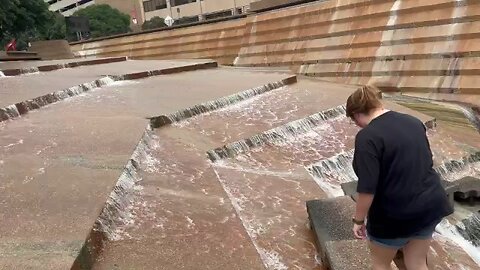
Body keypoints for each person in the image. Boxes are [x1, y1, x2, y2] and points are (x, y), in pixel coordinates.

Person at [347, 85, 453, 270]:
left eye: (353, 120)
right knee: (417, 263)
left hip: (394, 215)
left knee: (380, 264)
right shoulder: (413, 121)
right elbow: (425, 161)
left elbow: (367, 187)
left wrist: (358, 220)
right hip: (428, 206)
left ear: (357, 114)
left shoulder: (367, 137)